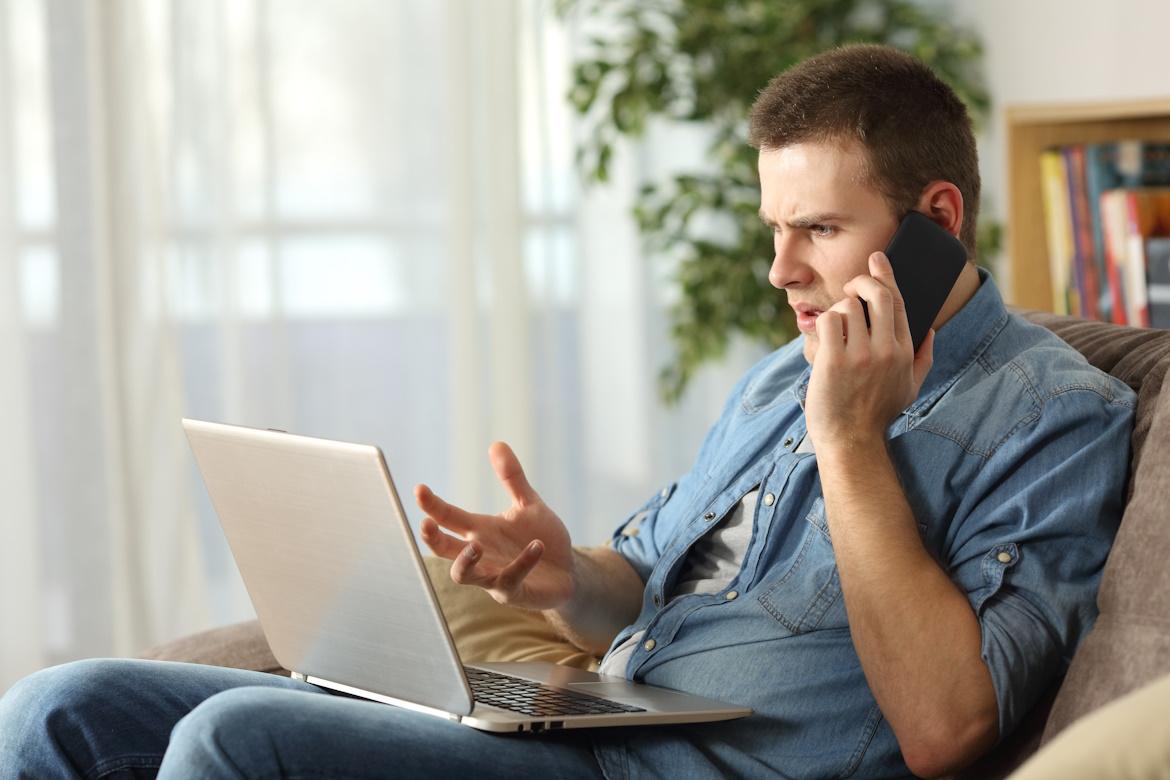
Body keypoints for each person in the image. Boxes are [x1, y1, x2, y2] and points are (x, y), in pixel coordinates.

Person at [0, 43, 1134, 780]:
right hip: (592, 726)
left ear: (937, 219)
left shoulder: (1055, 417)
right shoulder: (780, 375)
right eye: (772, 230)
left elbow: (949, 730)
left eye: (819, 232)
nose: (779, 271)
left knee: (231, 745)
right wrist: (561, 578)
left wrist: (849, 444)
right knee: (60, 706)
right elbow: (639, 583)